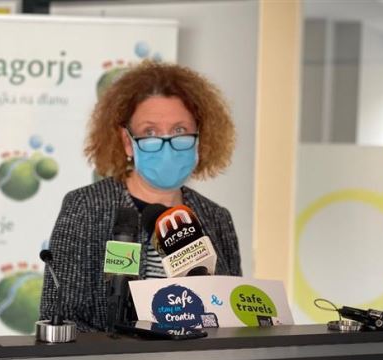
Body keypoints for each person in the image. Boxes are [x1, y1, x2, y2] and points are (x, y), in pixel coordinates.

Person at [40, 61, 241, 331]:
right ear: (127, 142)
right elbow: (60, 318)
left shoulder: (216, 218)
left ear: (200, 138)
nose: (167, 144)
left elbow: (233, 316)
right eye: (150, 132)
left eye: (179, 130)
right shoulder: (86, 207)